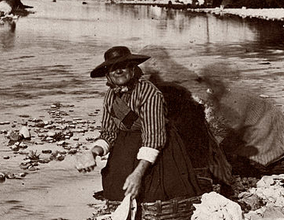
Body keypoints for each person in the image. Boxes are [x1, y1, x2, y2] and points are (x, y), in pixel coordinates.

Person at [76, 46, 201, 203]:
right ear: (107, 74)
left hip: (157, 148)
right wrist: (93, 153)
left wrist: (138, 174)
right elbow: (109, 133)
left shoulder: (149, 93)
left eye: (123, 66)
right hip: (126, 147)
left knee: (152, 191)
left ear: (132, 68)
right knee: (115, 187)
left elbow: (154, 139)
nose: (118, 71)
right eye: (113, 68)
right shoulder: (110, 96)